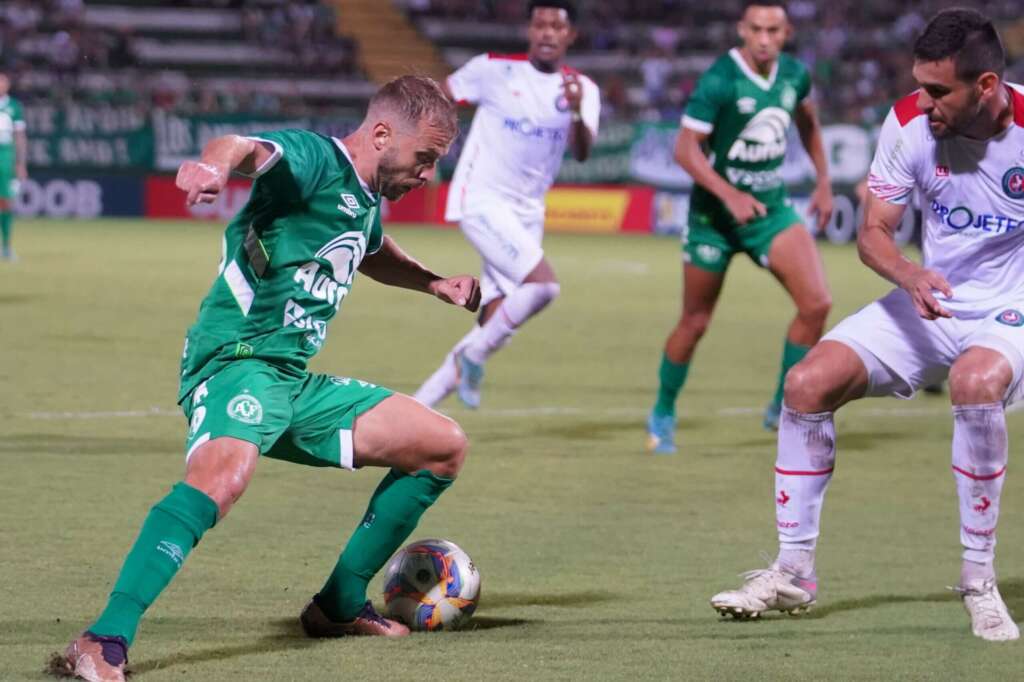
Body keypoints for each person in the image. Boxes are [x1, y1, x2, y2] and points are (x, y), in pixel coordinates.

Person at [56, 75, 482, 681]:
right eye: (425, 159)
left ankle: (336, 606)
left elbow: (372, 250)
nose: (427, 175)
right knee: (222, 480)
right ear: (383, 134)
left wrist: (435, 282)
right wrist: (211, 167)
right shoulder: (315, 161)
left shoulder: (364, 201)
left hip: (290, 379)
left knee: (442, 446)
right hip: (236, 361)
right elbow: (244, 146)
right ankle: (102, 639)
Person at [710, 9, 1022, 642]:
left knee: (974, 382)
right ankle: (793, 570)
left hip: (1009, 311)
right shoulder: (909, 120)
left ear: (985, 86)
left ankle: (979, 579)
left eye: (940, 91)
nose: (924, 101)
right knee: (806, 384)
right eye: (921, 86)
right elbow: (874, 232)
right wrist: (908, 275)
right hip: (926, 299)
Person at [645, 0, 833, 453]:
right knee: (695, 321)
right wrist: (728, 194)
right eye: (757, 29)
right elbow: (685, 150)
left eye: (774, 30)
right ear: (742, 30)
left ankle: (785, 406)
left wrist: (824, 181)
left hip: (769, 211)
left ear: (786, 32)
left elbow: (808, 123)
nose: (765, 38)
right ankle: (663, 411)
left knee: (817, 304)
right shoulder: (720, 80)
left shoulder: (794, 74)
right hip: (714, 219)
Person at [413, 0, 599, 409]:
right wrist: (427, 155)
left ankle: (419, 406)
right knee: (544, 286)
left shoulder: (583, 89)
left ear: (571, 35)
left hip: (528, 212)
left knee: (496, 319)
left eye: (557, 26)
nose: (548, 32)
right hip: (481, 197)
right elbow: (438, 98)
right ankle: (474, 358)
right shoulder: (493, 69)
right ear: (530, 30)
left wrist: (577, 116)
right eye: (540, 24)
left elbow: (584, 151)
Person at [0, 72, 27, 261]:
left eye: (3, 82)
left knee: (5, 201)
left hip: (5, 155)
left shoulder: (14, 107)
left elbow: (20, 137)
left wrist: (21, 163)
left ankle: (7, 247)